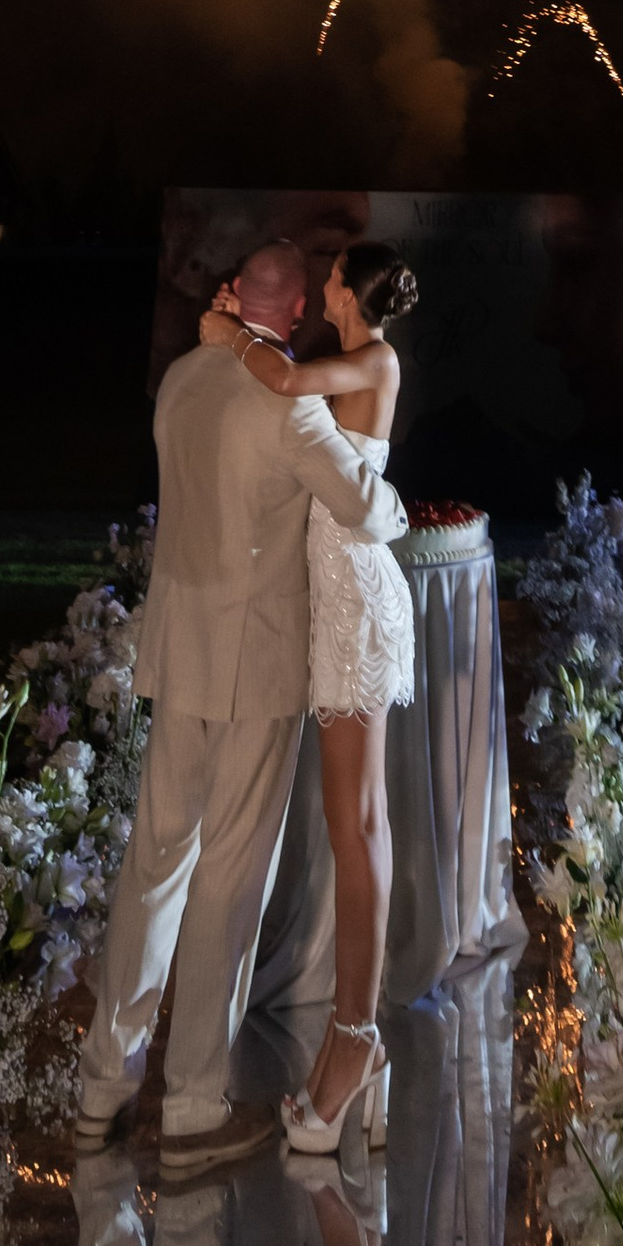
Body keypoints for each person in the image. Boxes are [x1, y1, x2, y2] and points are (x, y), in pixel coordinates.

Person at [76, 236, 407, 1182]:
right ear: (299, 305)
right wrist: (394, 509)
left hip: (179, 655)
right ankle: (189, 1108)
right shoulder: (288, 401)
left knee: (154, 863)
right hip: (256, 669)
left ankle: (104, 1084)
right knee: (229, 880)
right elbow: (365, 510)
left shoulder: (181, 378)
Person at [197, 237, 418, 1151]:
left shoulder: (373, 358)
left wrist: (223, 333)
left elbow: (287, 388)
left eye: (331, 276)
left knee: (356, 828)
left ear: (345, 292)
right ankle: (355, 1048)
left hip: (356, 604)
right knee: (354, 827)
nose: (324, 285)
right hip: (339, 607)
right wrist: (248, 341)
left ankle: (354, 1046)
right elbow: (290, 386)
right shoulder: (350, 358)